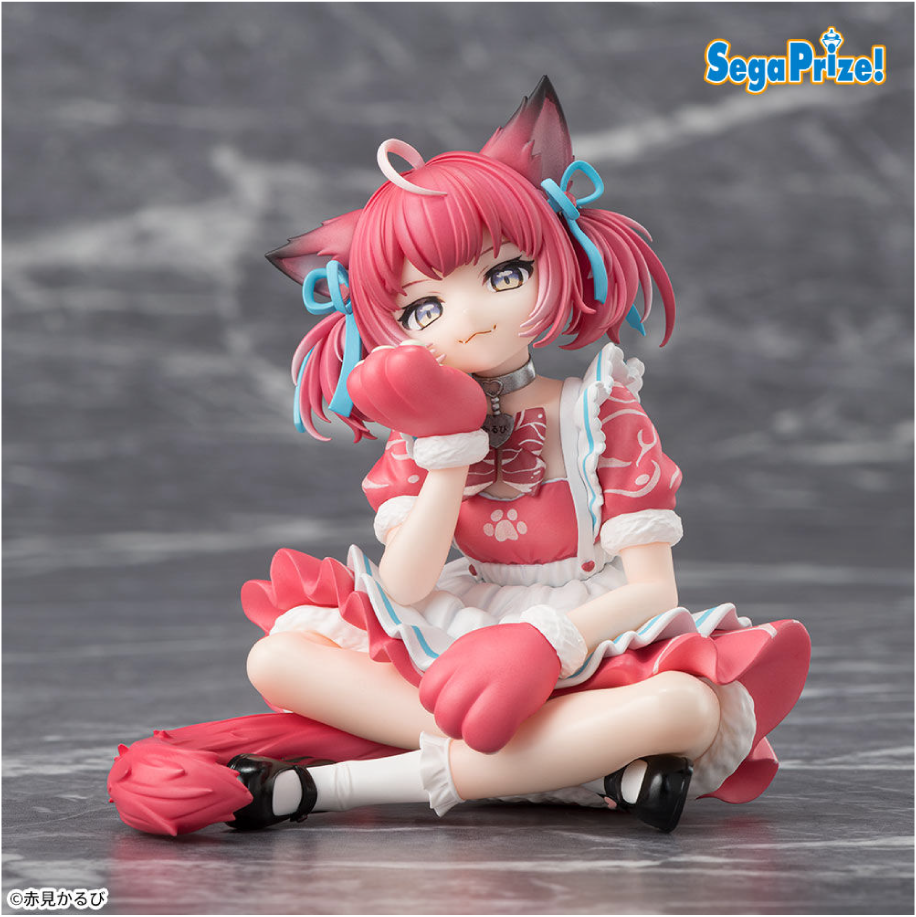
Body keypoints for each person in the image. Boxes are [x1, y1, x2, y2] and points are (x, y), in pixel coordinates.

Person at [108, 78, 810, 836]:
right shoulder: (415, 431)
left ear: (559, 257)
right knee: (278, 658)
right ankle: (593, 771)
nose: (469, 318)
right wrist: (447, 451)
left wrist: (542, 643)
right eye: (424, 308)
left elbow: (651, 589)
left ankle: (322, 788)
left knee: (686, 707)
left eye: (504, 275)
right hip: (456, 622)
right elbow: (407, 585)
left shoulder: (602, 410)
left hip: (588, 629)